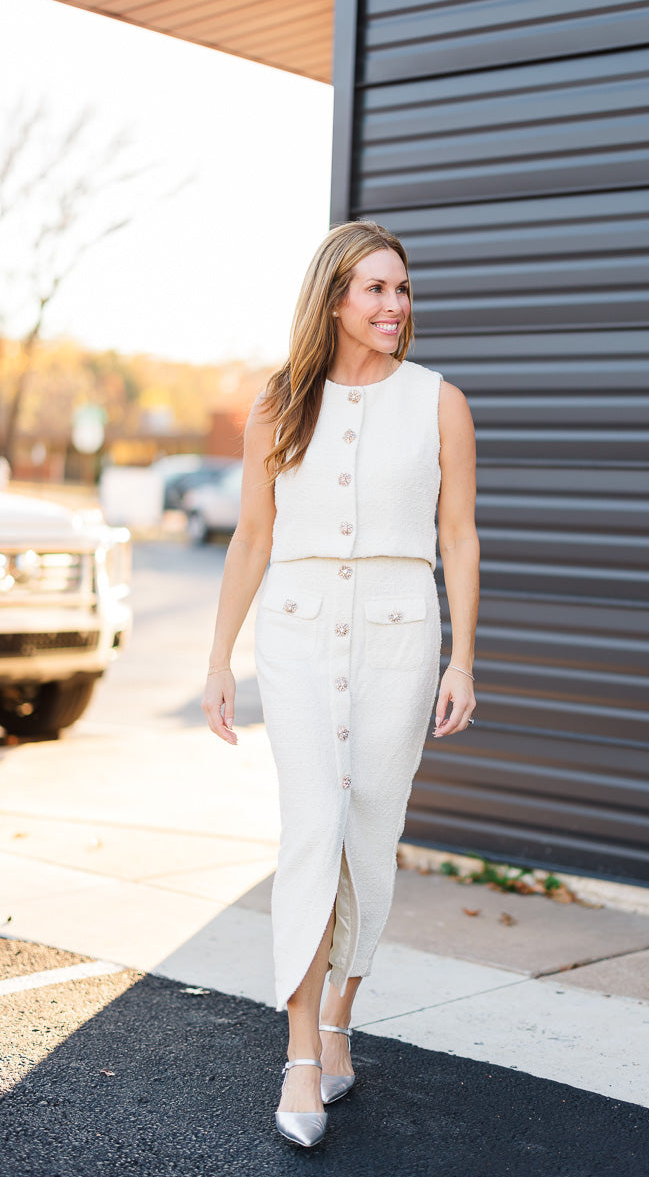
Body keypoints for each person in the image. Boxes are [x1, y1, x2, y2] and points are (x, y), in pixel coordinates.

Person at [202, 220, 479, 1147]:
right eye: (376, 290)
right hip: (298, 625)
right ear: (334, 300)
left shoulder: (440, 401)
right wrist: (218, 660)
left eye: (402, 289)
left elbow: (459, 540)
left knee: (370, 834)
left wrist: (463, 658)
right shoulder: (281, 401)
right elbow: (251, 537)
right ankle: (297, 1054)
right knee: (314, 827)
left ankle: (338, 1021)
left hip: (402, 634)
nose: (396, 306)